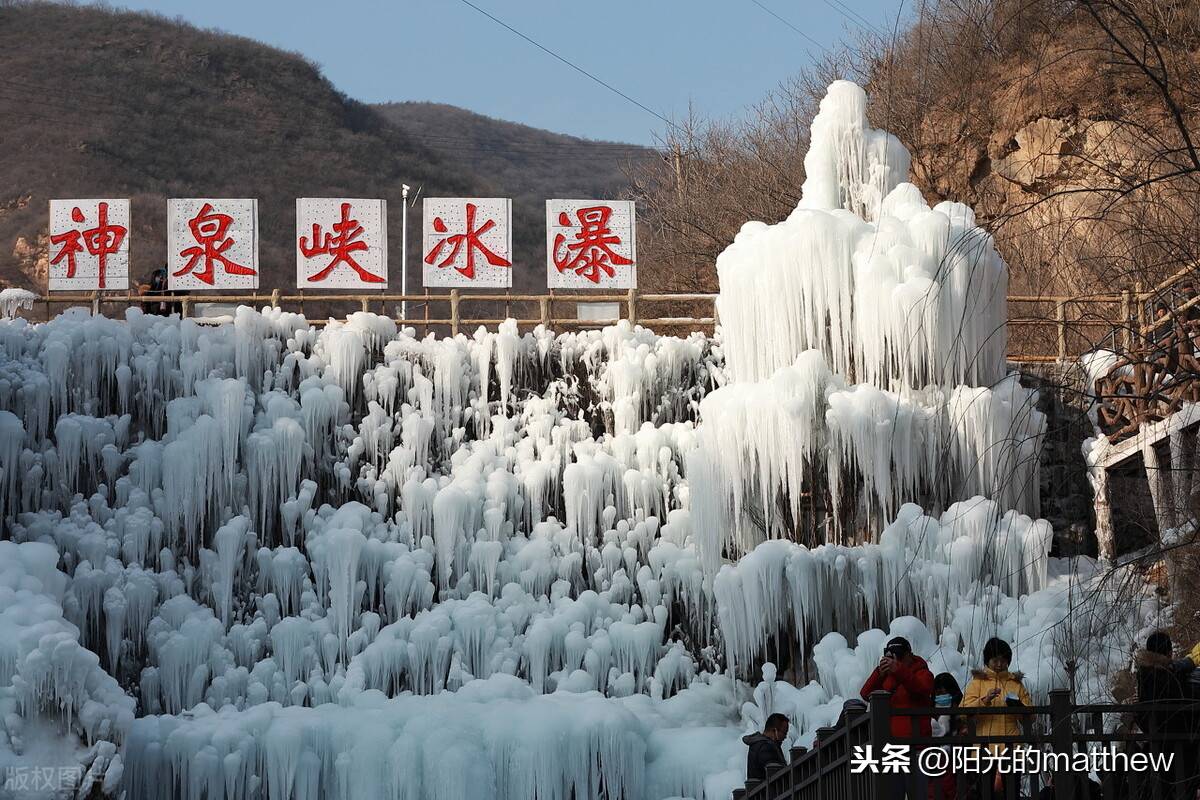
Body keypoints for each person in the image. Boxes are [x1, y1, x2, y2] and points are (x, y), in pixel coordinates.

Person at [859, 636, 934, 798]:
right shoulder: (887, 677)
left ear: (909, 655)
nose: (897, 659)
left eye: (900, 655)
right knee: (893, 794)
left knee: (919, 793)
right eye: (893, 655)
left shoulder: (923, 672)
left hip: (917, 745)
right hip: (893, 746)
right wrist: (880, 672)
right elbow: (865, 694)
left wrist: (898, 669)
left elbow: (921, 687)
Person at [962, 638, 1032, 797]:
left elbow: (1030, 716)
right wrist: (984, 701)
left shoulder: (1016, 684)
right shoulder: (977, 683)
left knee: (1011, 792)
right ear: (988, 660)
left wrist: (1019, 708)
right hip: (984, 749)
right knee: (985, 793)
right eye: (995, 660)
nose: (999, 664)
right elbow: (962, 711)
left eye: (1003, 660)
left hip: (1012, 749)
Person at [931, 672, 965, 800]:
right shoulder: (929, 711)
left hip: (956, 758)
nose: (941, 696)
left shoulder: (960, 709)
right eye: (938, 693)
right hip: (934, 758)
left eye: (944, 693)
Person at [742, 713, 788, 783]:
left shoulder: (758, 744)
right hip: (768, 792)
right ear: (774, 730)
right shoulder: (766, 747)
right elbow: (775, 774)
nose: (785, 737)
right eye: (784, 733)